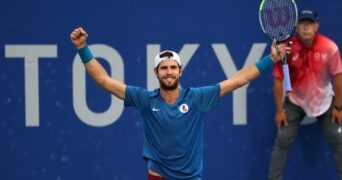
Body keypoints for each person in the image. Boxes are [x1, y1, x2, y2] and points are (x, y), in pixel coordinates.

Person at [70, 27, 290, 180]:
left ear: (180, 71)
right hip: (158, 176)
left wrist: (270, 59)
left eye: (173, 67)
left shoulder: (197, 98)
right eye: (164, 68)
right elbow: (103, 80)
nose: (169, 72)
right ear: (156, 72)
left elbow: (237, 80)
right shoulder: (145, 100)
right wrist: (83, 48)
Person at [268, 8, 342, 180]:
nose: (306, 27)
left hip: (325, 102)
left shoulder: (329, 48)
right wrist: (279, 110)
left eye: (310, 23)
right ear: (296, 26)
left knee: (339, 142)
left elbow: (338, 78)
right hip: (295, 102)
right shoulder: (287, 49)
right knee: (282, 141)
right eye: (302, 23)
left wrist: (339, 106)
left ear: (317, 26)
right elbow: (278, 80)